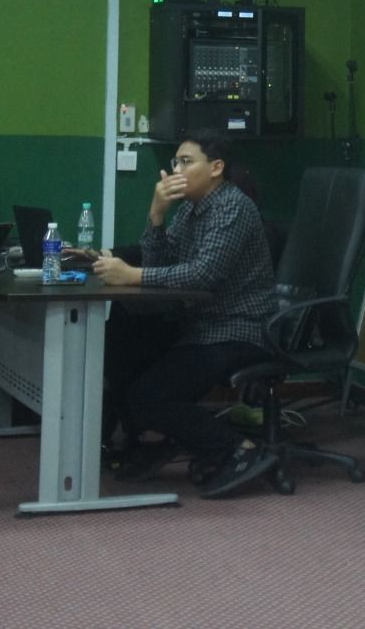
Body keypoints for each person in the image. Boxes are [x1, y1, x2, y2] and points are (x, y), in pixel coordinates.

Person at [89, 128, 279, 497]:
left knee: (149, 396)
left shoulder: (232, 207)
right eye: (175, 162)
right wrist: (156, 215)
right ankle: (153, 443)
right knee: (123, 351)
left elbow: (204, 274)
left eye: (186, 162)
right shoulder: (191, 209)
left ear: (216, 168)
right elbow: (162, 263)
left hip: (238, 330)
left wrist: (132, 275)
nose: (175, 170)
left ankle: (238, 448)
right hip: (200, 325)